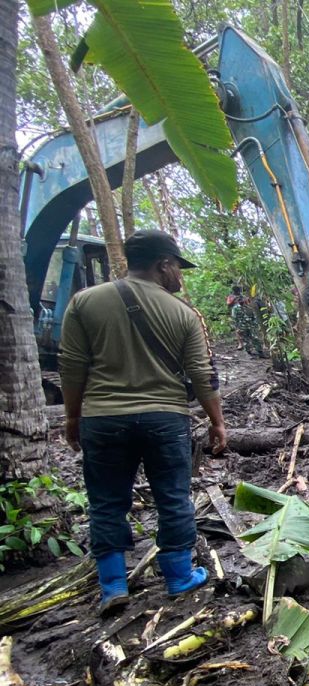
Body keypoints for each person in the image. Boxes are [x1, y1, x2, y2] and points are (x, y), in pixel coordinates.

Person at [58, 229, 225, 616]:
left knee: (106, 502)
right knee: (172, 496)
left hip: (102, 418)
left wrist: (72, 416)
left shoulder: (85, 303)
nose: (179, 277)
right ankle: (179, 577)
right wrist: (217, 422)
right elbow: (202, 374)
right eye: (177, 268)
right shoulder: (181, 313)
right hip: (165, 419)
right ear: (162, 264)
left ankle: (113, 585)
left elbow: (71, 366)